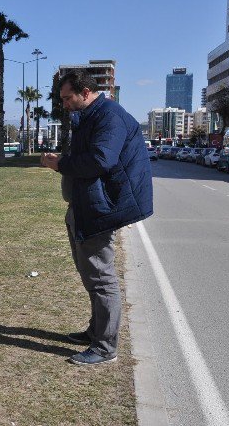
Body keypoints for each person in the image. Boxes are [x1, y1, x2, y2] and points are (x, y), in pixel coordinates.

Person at [40, 69, 153, 366]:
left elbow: (101, 159)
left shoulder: (109, 116)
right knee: (90, 273)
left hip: (100, 208)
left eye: (67, 98)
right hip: (86, 204)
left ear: (86, 93)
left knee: (101, 277)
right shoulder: (91, 116)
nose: (64, 104)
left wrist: (60, 163)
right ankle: (96, 331)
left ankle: (105, 347)